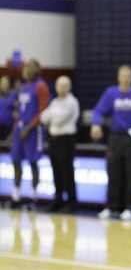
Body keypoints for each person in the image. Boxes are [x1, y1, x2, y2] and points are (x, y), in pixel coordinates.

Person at [91, 65, 131, 221]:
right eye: (123, 76)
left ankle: (130, 207)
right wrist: (96, 124)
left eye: (128, 76)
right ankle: (112, 206)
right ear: (118, 77)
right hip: (115, 137)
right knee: (113, 172)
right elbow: (98, 111)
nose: (125, 79)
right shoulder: (111, 93)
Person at [9, 59, 50, 208]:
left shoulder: (41, 86)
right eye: (28, 67)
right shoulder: (24, 87)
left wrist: (29, 128)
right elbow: (20, 111)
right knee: (16, 160)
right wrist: (15, 130)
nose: (31, 70)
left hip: (34, 129)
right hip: (20, 128)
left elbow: (43, 110)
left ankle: (33, 197)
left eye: (34, 68)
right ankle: (16, 196)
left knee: (33, 162)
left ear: (38, 70)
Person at [40, 76, 80, 212]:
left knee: (67, 172)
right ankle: (58, 200)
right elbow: (43, 117)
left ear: (69, 87)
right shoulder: (55, 102)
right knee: (56, 171)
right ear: (56, 87)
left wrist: (51, 116)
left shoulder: (72, 102)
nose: (62, 88)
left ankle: (72, 202)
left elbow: (58, 119)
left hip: (66, 140)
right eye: (59, 86)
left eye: (65, 86)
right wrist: (51, 116)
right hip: (53, 140)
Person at [0, 76, 17, 141]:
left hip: (9, 127)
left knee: (7, 147)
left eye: (6, 84)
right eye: (3, 84)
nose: (5, 86)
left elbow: (19, 108)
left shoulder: (14, 95)